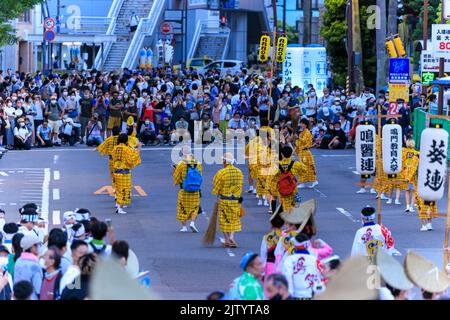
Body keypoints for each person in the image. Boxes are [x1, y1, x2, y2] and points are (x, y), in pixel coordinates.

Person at [212, 152, 244, 248]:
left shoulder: (221, 173)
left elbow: (216, 187)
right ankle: (232, 236)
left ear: (225, 161)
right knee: (234, 219)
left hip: (224, 199)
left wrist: (218, 192)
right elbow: (240, 186)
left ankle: (226, 239)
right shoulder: (239, 172)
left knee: (224, 219)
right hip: (236, 200)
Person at [282, 232, 325, 299]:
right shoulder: (315, 260)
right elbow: (323, 276)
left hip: (295, 296)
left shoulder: (289, 260)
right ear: (307, 245)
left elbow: (286, 277)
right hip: (313, 295)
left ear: (295, 245)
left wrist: (289, 293)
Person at [173, 145, 203, 233]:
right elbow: (200, 176)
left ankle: (184, 227)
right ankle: (193, 222)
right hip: (195, 189)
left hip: (184, 189)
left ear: (182, 153)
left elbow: (177, 178)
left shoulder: (181, 164)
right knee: (194, 207)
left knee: (182, 207)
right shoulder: (197, 163)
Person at [111, 134, 142, 214]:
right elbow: (133, 158)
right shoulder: (127, 149)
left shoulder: (115, 148)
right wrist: (139, 147)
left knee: (118, 190)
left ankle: (118, 205)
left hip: (116, 171)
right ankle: (120, 208)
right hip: (124, 172)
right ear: (126, 140)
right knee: (124, 190)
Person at [269, 145, 305, 213]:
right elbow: (305, 169)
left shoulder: (276, 164)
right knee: (293, 204)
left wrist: (270, 187)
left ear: (281, 154)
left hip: (281, 188)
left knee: (283, 203)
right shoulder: (295, 164)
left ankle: (277, 214)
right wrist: (299, 160)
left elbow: (272, 177)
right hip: (292, 187)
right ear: (291, 154)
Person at [13, 233, 42, 300]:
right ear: (32, 247)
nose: (39, 247)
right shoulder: (34, 265)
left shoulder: (19, 260)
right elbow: (38, 288)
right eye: (37, 245)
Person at [260, 206, 284, 277]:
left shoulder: (266, 238)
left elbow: (263, 254)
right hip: (283, 266)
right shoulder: (286, 237)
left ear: (272, 225)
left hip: (270, 265)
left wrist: (263, 272)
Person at [97, 126, 121, 192]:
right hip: (120, 159)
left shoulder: (109, 139)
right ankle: (119, 186)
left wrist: (96, 149)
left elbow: (102, 145)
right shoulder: (121, 138)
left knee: (113, 173)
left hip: (111, 159)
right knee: (120, 173)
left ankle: (114, 187)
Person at [295, 118, 318, 188]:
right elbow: (299, 143)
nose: (300, 125)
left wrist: (298, 138)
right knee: (303, 167)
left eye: (302, 124)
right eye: (300, 123)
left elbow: (305, 141)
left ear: (305, 124)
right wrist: (296, 150)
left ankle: (313, 180)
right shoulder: (302, 132)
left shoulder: (307, 132)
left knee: (308, 167)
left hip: (305, 152)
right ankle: (303, 182)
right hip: (302, 152)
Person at [399, 139, 419, 213]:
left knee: (407, 191)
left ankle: (407, 206)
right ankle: (411, 206)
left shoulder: (403, 151)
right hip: (413, 174)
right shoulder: (416, 153)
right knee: (414, 191)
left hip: (405, 173)